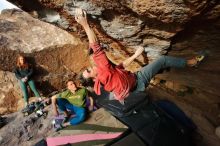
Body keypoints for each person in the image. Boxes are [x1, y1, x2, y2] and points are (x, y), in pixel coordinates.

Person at [75, 8, 205, 104]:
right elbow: (96, 48)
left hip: (135, 85)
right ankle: (191, 63)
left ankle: (161, 71)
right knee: (163, 60)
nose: (90, 68)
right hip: (139, 80)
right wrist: (85, 24)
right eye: (88, 71)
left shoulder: (105, 81)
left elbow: (120, 67)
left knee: (155, 67)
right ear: (94, 80)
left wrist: (136, 54)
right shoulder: (103, 73)